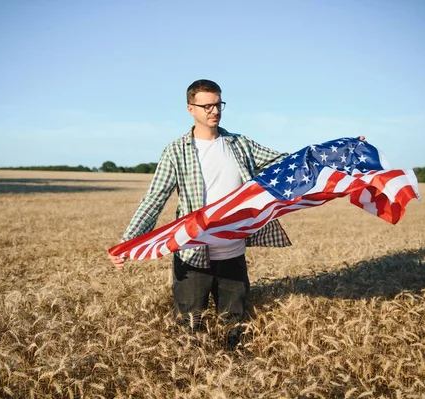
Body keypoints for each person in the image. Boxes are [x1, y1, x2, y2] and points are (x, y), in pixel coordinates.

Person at [108, 79, 293, 349]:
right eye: (206, 106)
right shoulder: (176, 151)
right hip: (192, 255)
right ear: (190, 109)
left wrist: (337, 155)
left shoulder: (240, 144)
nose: (214, 111)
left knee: (234, 327)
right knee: (188, 328)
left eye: (218, 104)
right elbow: (155, 198)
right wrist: (129, 241)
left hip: (233, 253)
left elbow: (286, 162)